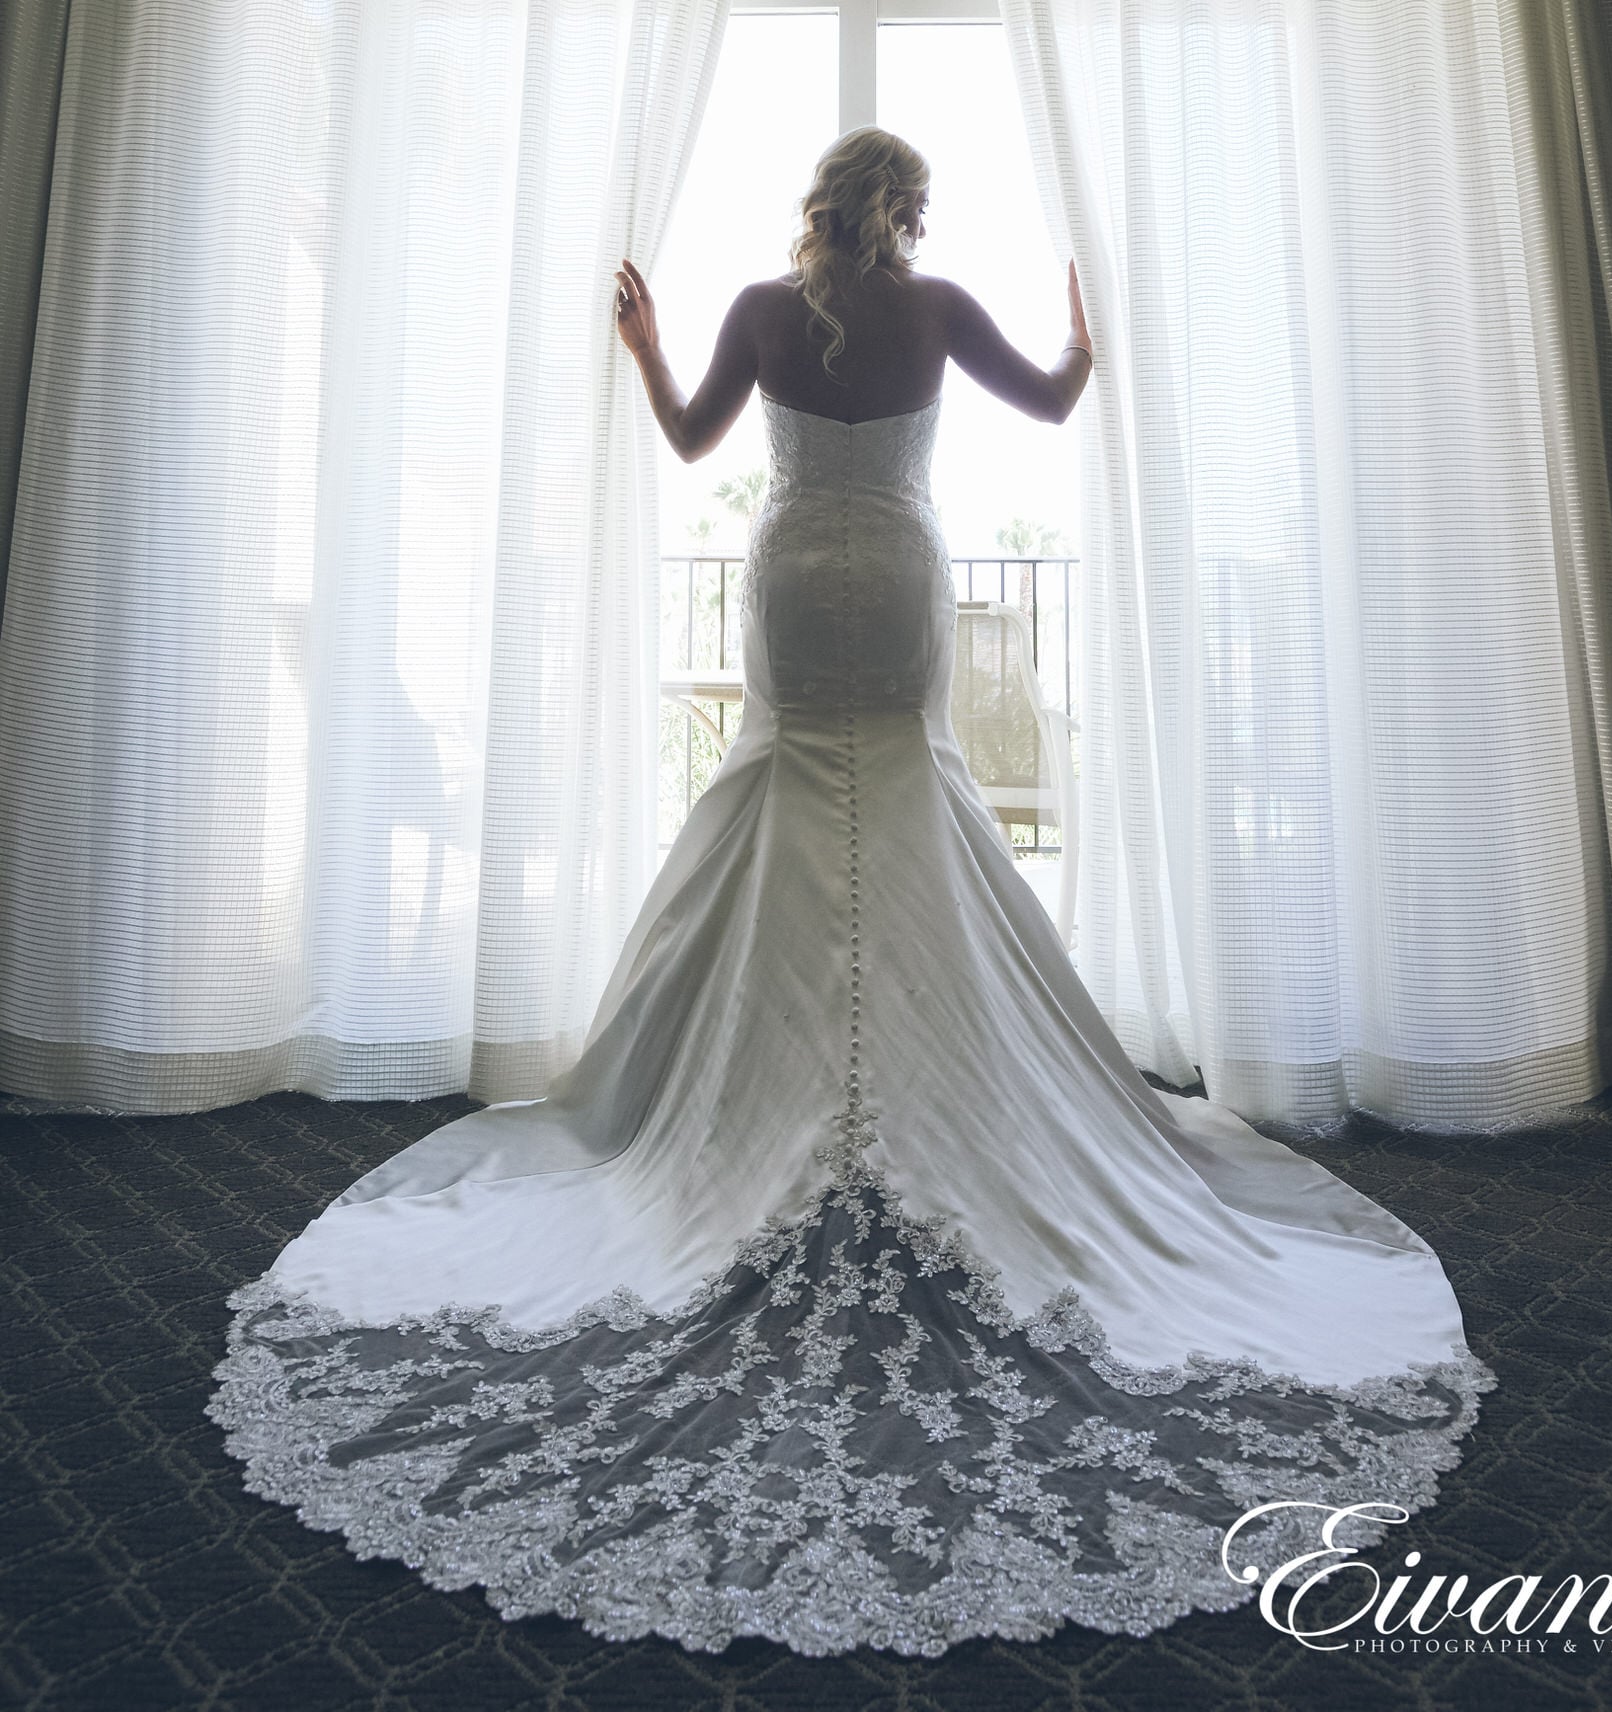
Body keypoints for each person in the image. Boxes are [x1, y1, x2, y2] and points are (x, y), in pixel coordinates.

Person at [213, 127, 1492, 1656]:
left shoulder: (758, 310)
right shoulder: (942, 309)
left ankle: (737, 1079)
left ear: (818, 207)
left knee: (784, 774)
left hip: (784, 568)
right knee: (898, 776)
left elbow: (690, 445)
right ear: (906, 215)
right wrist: (1089, 332)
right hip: (892, 562)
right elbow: (1056, 397)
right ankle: (950, 1078)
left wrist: (645, 343)